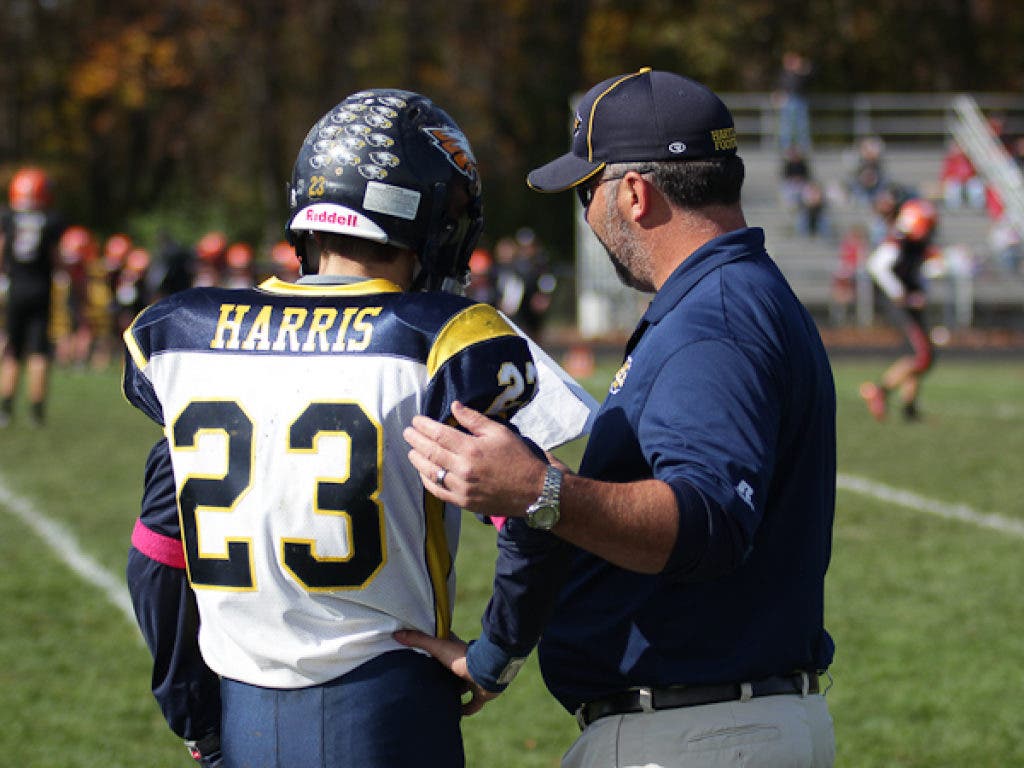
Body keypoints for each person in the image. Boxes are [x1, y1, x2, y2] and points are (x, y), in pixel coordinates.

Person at [122, 88, 593, 767]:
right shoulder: (445, 340)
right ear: (430, 218)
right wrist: (497, 653)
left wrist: (194, 715)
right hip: (387, 705)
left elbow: (157, 558)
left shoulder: (184, 336)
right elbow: (531, 514)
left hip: (242, 710)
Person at [399, 67, 837, 767]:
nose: (585, 214)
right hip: (720, 724)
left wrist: (539, 492)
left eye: (585, 190)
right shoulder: (735, 293)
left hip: (695, 734)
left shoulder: (713, 316)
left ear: (634, 192)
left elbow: (710, 522)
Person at [860, 198, 940, 422]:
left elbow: (920, 272)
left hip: (910, 303)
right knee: (921, 355)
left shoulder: (917, 244)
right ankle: (879, 390)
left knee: (917, 355)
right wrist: (900, 294)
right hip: (900, 305)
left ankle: (909, 408)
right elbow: (877, 266)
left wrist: (921, 292)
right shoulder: (899, 240)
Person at [0, 166, 66, 427]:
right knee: (38, 352)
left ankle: (5, 409)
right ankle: (36, 412)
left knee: (13, 350)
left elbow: (2, 249)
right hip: (40, 289)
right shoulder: (51, 221)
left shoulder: (9, 217)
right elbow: (56, 257)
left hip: (15, 289)